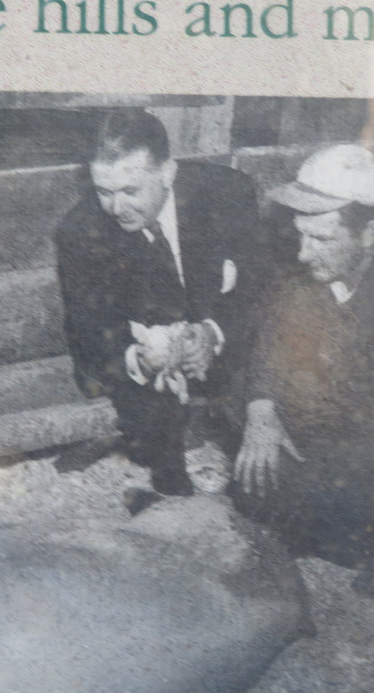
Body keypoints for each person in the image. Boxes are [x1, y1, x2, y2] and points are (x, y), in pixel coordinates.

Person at [232, 144, 374, 605]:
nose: (303, 252)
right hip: (328, 427)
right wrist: (262, 411)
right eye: (301, 235)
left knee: (358, 488)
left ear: (369, 234)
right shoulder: (314, 265)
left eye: (321, 239)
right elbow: (273, 337)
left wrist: (304, 406)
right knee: (252, 470)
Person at [55, 108, 262, 496]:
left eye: (130, 191)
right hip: (148, 364)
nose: (116, 208)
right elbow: (87, 338)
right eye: (104, 192)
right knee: (158, 455)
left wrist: (213, 333)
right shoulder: (79, 232)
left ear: (167, 173)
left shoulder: (227, 194)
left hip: (224, 348)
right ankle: (170, 474)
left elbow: (259, 290)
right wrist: (141, 359)